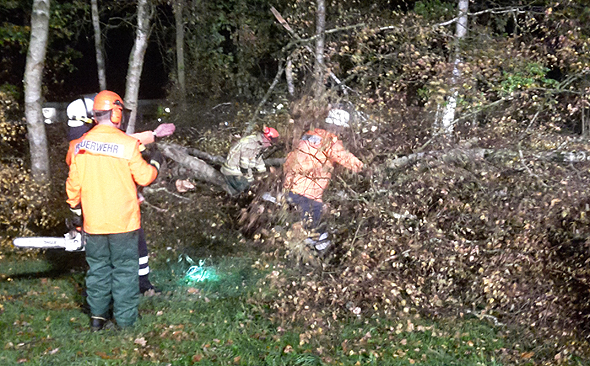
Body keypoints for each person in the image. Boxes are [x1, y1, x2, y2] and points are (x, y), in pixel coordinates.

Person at [66, 90, 162, 331]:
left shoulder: (80, 146)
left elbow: (73, 187)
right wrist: (156, 164)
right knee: (125, 271)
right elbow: (145, 176)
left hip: (94, 223)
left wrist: (75, 212)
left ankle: (97, 319)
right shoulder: (128, 144)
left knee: (97, 270)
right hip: (123, 223)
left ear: (96, 115)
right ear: (117, 113)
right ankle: (126, 321)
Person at [283, 107, 363, 250]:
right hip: (308, 192)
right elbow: (344, 157)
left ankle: (302, 249)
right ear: (337, 126)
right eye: (343, 128)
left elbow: (292, 157)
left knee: (303, 223)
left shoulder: (309, 135)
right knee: (316, 229)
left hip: (291, 186)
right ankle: (316, 257)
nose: (343, 132)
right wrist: (363, 168)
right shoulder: (330, 141)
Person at [220, 126, 279, 194]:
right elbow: (244, 167)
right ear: (265, 138)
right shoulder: (251, 144)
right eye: (270, 143)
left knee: (255, 184)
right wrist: (251, 181)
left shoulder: (258, 144)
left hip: (239, 169)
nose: (269, 145)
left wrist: (265, 171)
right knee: (247, 189)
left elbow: (258, 159)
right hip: (232, 171)